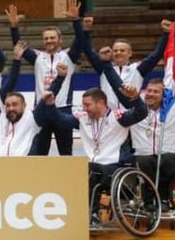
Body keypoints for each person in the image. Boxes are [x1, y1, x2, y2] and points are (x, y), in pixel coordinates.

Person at [102, 49, 175, 211]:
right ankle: (149, 200)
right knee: (145, 161)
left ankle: (163, 198)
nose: (150, 94)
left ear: (164, 94)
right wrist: (107, 64)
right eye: (148, 91)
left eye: (156, 91)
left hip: (168, 155)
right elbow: (118, 87)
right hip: (142, 155)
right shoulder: (137, 107)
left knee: (169, 160)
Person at [47, 68, 148, 219]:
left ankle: (91, 213)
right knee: (78, 170)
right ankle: (75, 211)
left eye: (87, 105)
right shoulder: (82, 118)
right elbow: (59, 119)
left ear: (101, 103)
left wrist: (135, 97)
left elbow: (141, 113)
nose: (84, 108)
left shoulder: (118, 118)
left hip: (115, 167)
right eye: (83, 105)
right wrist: (49, 105)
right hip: (93, 166)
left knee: (90, 171)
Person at [6, 0, 83, 156]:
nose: (49, 41)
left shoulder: (69, 56)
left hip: (63, 109)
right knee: (39, 153)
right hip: (41, 110)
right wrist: (14, 27)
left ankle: (66, 180)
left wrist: (76, 20)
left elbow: (81, 41)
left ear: (60, 40)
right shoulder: (37, 57)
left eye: (52, 38)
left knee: (65, 153)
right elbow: (18, 45)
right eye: (46, 38)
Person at [82, 16, 171, 112]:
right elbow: (89, 52)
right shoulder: (105, 67)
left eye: (122, 50)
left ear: (130, 53)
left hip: (132, 116)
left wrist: (166, 34)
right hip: (108, 117)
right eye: (115, 51)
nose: (118, 53)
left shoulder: (137, 69)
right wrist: (86, 30)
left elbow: (156, 55)